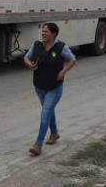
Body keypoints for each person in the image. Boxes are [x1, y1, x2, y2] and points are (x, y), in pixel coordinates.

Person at [24, 22, 76, 156]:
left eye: (46, 32)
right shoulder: (37, 45)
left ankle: (38, 144)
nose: (43, 34)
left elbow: (72, 60)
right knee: (48, 110)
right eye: (42, 31)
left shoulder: (61, 47)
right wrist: (30, 64)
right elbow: (26, 57)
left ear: (53, 34)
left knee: (45, 112)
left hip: (55, 87)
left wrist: (63, 72)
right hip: (39, 86)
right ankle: (54, 133)